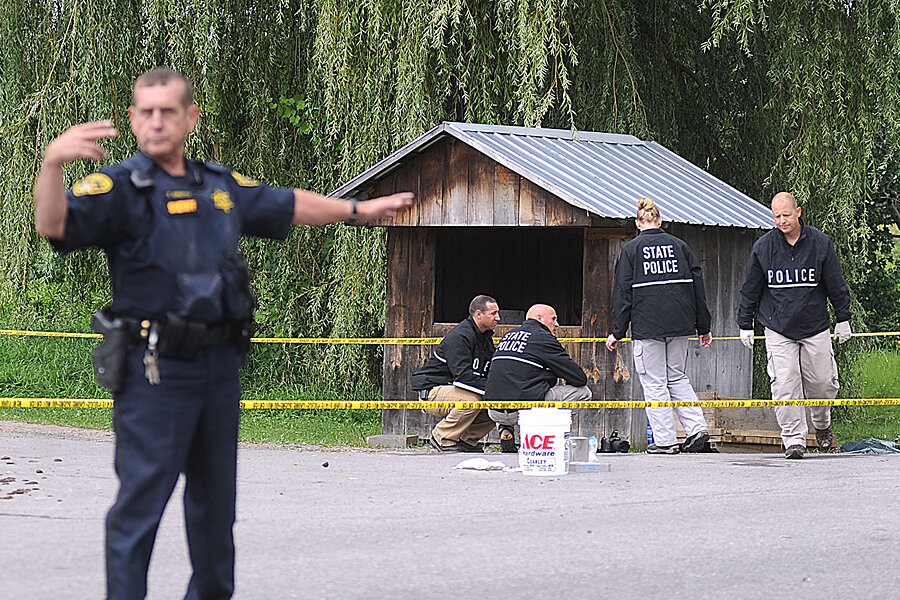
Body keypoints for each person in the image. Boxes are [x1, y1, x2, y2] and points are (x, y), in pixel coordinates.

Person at [32, 67, 412, 599]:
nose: (156, 122)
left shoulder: (218, 186)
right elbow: (54, 225)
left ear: (191, 117)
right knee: (141, 506)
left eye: (168, 111)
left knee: (216, 513)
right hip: (154, 370)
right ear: (134, 119)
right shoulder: (119, 190)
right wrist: (51, 164)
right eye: (146, 112)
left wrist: (356, 209)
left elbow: (287, 203)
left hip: (218, 369)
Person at [738, 192, 852, 459]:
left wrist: (843, 318)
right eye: (777, 216)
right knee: (784, 385)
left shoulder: (821, 244)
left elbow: (836, 283)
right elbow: (750, 289)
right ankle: (794, 441)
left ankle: (822, 426)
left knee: (823, 384)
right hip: (778, 328)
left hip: (815, 326)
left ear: (798, 212)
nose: (782, 221)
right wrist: (745, 324)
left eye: (786, 215)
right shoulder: (763, 248)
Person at [605, 197, 712, 455]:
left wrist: (618, 331)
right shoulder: (680, 247)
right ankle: (697, 429)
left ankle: (665, 441)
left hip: (648, 326)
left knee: (654, 383)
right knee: (676, 376)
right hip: (680, 324)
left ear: (637, 222)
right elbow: (698, 288)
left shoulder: (631, 251)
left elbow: (623, 294)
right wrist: (703, 326)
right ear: (661, 221)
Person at [484, 304, 592, 452]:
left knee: (508, 387)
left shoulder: (508, 336)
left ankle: (505, 428)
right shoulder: (543, 338)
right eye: (553, 319)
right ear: (539, 318)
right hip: (524, 412)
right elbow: (579, 378)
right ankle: (534, 429)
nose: (556, 324)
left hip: (493, 411)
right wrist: (552, 373)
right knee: (583, 393)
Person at [411, 295, 500, 452]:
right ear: (478, 314)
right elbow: (463, 377)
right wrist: (493, 390)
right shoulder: (460, 336)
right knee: (472, 401)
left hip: (457, 389)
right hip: (433, 391)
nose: (498, 318)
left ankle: (466, 441)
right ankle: (442, 437)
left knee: (498, 405)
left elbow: (490, 371)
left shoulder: (484, 337)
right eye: (493, 313)